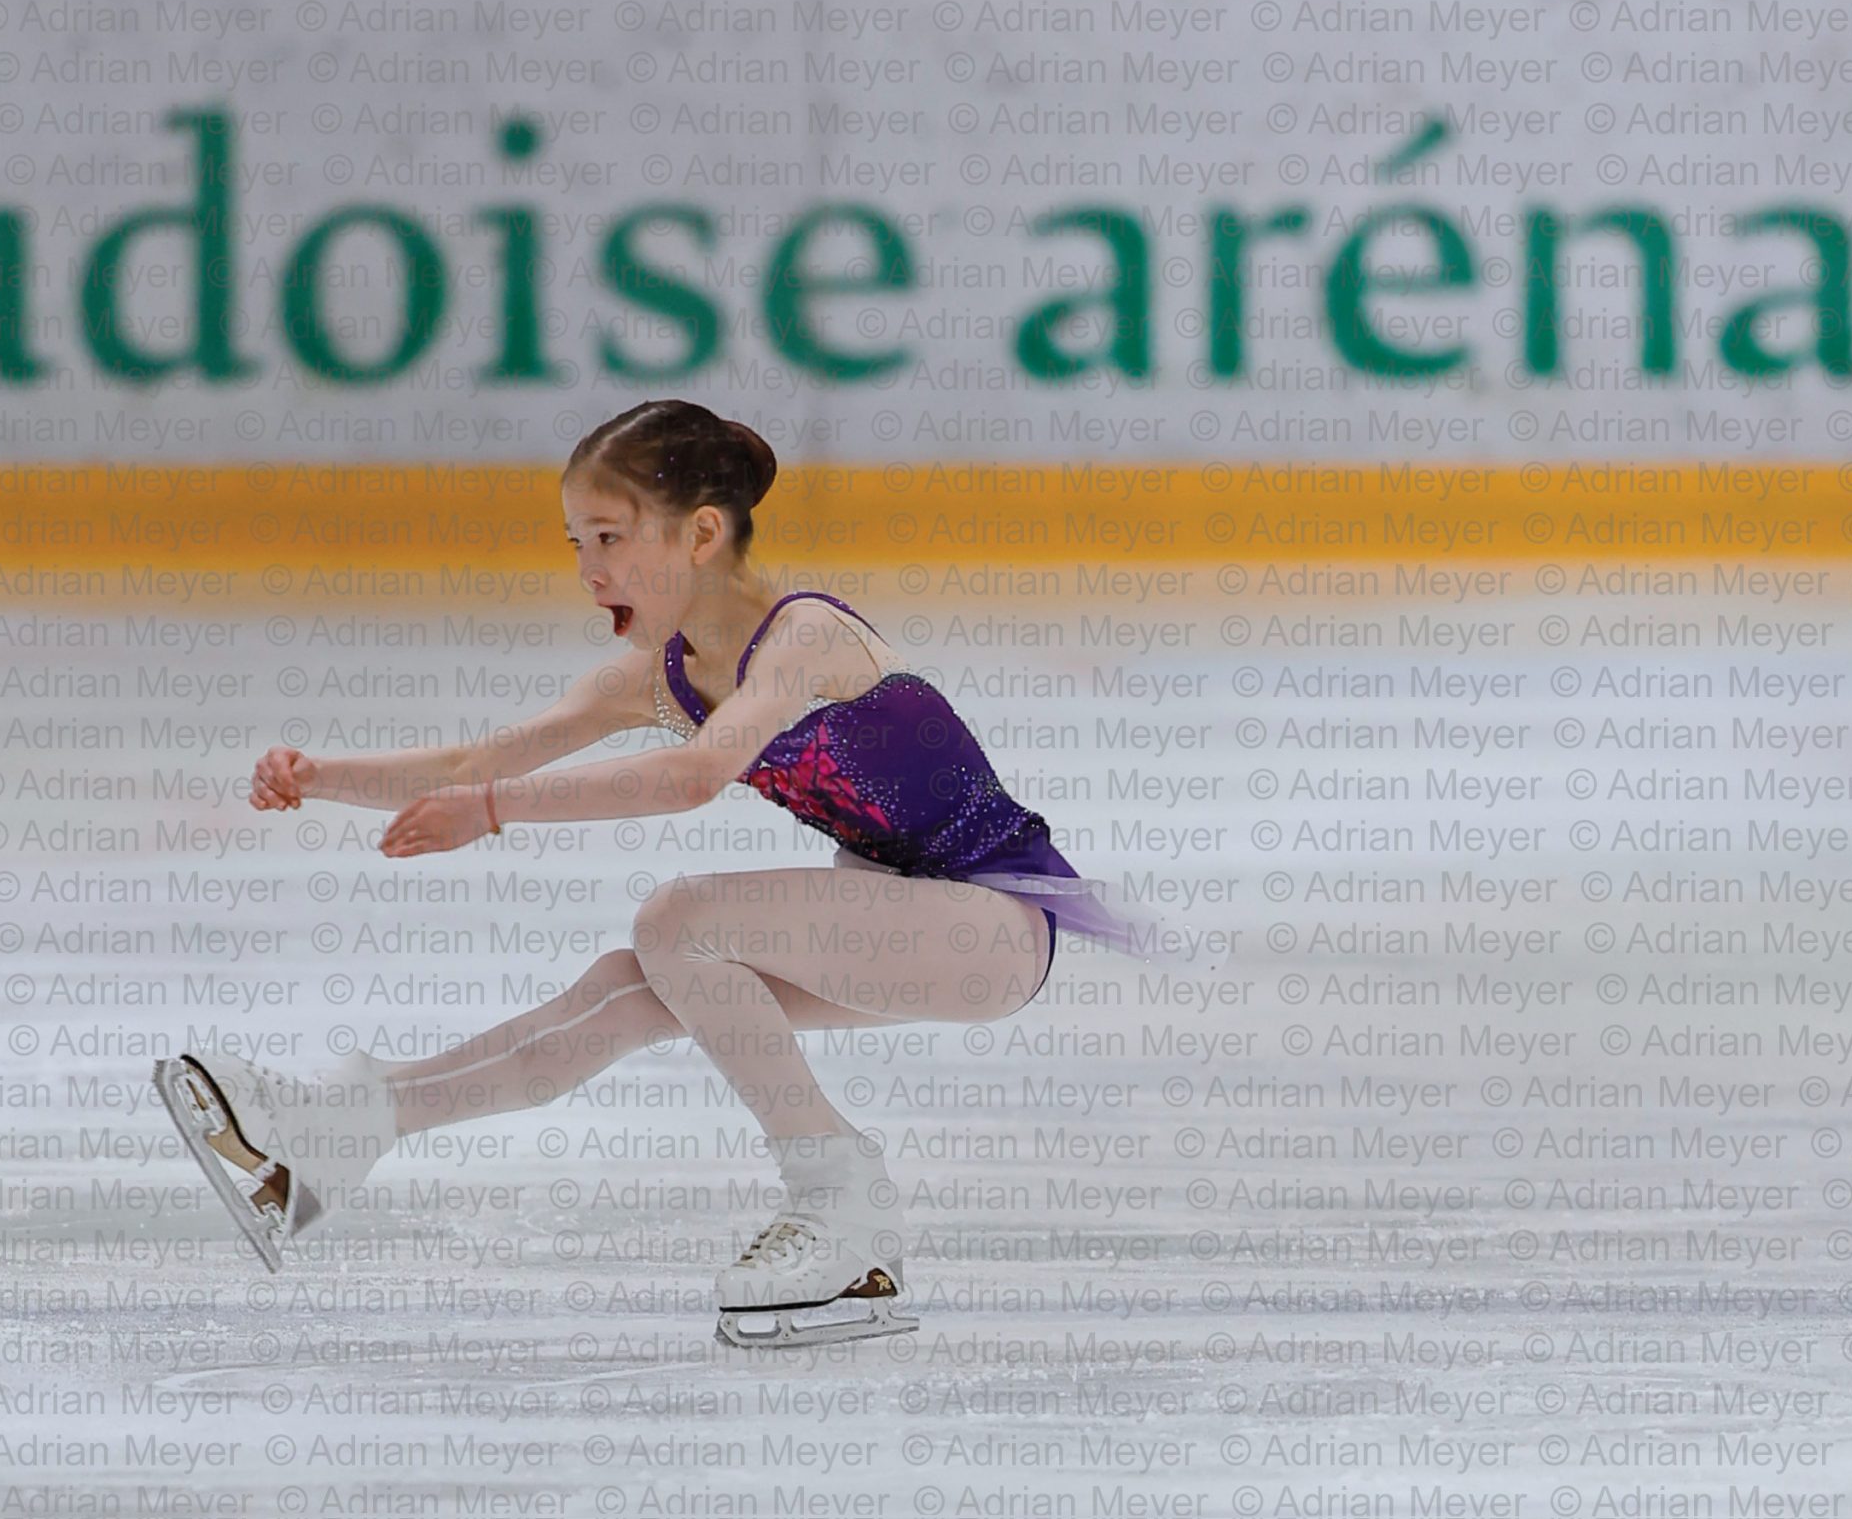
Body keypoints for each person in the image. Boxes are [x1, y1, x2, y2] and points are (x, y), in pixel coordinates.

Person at [156, 399, 1164, 1348]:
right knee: (626, 989)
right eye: (577, 544)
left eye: (611, 536)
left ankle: (839, 1197)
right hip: (911, 920)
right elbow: (479, 763)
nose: (591, 569)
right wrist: (320, 776)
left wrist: (496, 813)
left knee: (682, 918)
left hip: (991, 924)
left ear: (700, 533)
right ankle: (335, 1136)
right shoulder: (662, 673)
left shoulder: (804, 635)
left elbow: (691, 776)